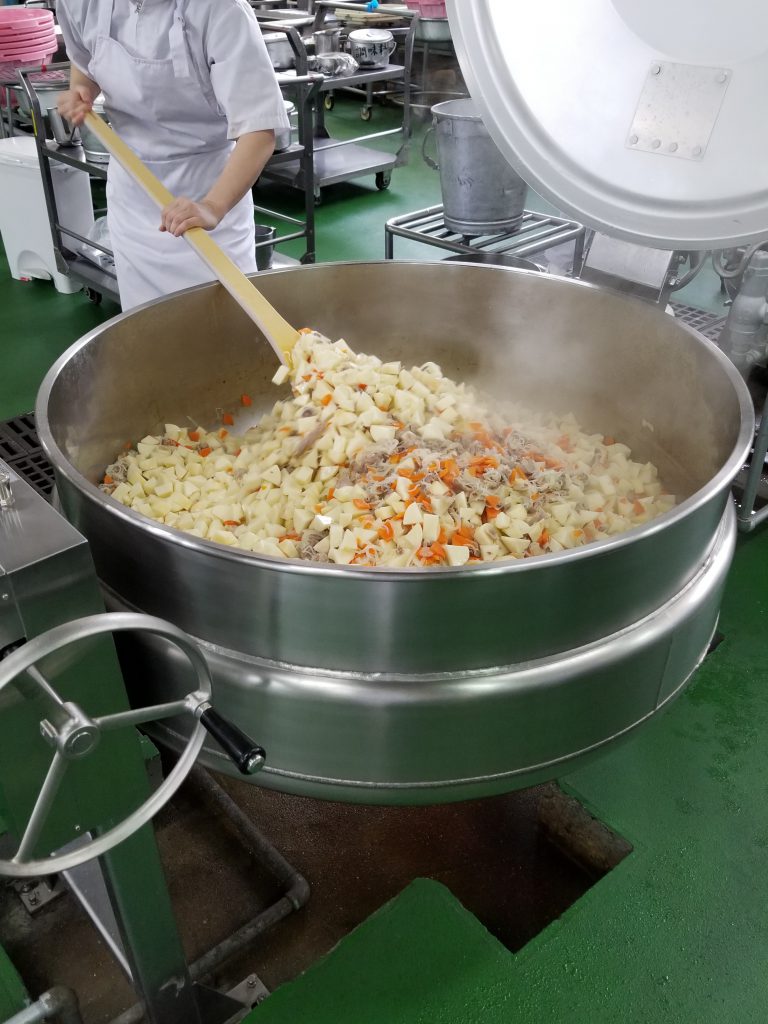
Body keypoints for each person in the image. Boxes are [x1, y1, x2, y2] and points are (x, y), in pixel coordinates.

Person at [56, 0, 290, 311]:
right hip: (133, 198)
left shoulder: (221, 10)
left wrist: (212, 206)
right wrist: (81, 90)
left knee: (225, 322)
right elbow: (86, 61)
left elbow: (259, 130)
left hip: (209, 191)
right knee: (145, 324)